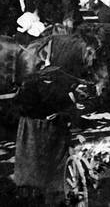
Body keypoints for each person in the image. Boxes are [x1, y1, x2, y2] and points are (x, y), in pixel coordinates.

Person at [13, 69, 75, 205]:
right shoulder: (29, 87)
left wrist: (59, 114)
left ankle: (52, 194)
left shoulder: (59, 88)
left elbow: (68, 107)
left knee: (53, 164)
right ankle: (32, 195)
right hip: (34, 130)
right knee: (33, 164)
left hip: (53, 131)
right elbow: (20, 107)